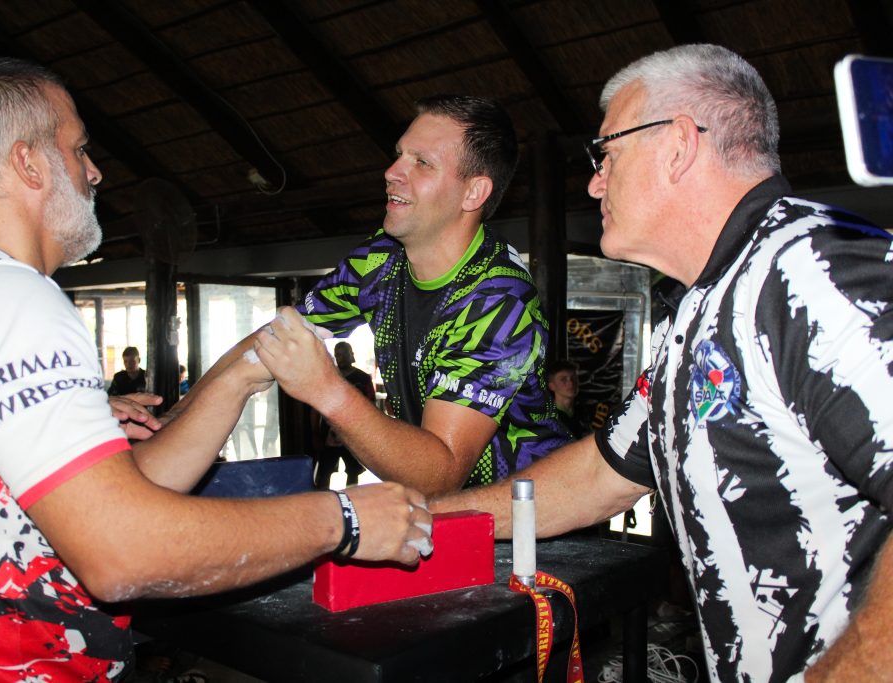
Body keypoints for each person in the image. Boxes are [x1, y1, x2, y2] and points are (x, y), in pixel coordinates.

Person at [0, 56, 432, 681]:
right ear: (28, 164)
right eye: (78, 149)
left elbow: (113, 498)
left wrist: (240, 376)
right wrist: (344, 519)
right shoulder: (10, 299)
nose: (94, 171)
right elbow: (120, 551)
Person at [434, 44, 893, 682]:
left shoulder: (814, 273)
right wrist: (431, 519)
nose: (594, 182)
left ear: (678, 144)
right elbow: (601, 474)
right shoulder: (698, 309)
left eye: (606, 155)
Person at [254, 95, 570, 497]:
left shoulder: (498, 301)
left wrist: (327, 390)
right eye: (399, 155)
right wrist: (184, 418)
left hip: (525, 519)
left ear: (473, 193)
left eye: (422, 162)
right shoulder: (380, 258)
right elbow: (272, 341)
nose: (391, 172)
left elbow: (439, 475)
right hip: (442, 511)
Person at [312, 342, 375, 488]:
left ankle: (351, 498)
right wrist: (315, 432)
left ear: (351, 355)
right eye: (337, 354)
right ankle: (323, 499)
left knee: (353, 471)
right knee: (324, 472)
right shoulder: (328, 378)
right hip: (329, 435)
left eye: (343, 353)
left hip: (354, 434)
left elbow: (371, 407)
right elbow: (315, 407)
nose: (340, 357)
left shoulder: (363, 378)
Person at [545, 359, 588, 438]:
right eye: (563, 379)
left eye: (574, 378)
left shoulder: (586, 413)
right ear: (551, 386)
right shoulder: (547, 418)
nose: (571, 383)